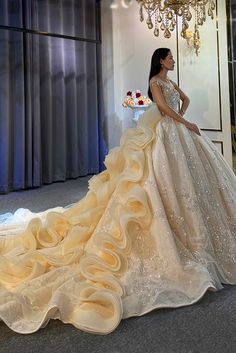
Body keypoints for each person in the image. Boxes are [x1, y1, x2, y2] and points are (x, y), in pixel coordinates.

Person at [0, 48, 236, 335]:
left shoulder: (171, 82)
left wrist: (183, 115)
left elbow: (183, 100)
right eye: (170, 58)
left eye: (172, 58)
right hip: (168, 132)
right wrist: (184, 121)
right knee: (157, 180)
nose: (173, 61)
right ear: (161, 61)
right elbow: (162, 108)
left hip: (176, 132)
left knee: (189, 185)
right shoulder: (156, 83)